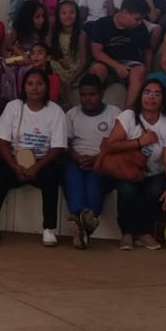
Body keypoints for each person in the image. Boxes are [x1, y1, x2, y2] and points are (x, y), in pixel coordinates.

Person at [0, 67, 67, 248]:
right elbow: (3, 142)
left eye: (39, 84)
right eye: (30, 84)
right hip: (14, 159)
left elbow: (58, 147)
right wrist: (14, 166)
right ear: (24, 87)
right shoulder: (13, 107)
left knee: (51, 178)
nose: (34, 88)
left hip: (43, 161)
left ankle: (49, 229)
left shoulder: (56, 111)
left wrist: (36, 167)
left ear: (46, 87)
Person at [101, 78, 166, 251]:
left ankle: (144, 233)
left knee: (155, 191)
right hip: (128, 171)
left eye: (157, 94)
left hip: (154, 173)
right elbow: (111, 145)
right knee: (127, 190)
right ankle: (127, 233)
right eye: (147, 92)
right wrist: (139, 142)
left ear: (163, 100)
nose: (151, 97)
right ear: (140, 96)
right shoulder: (128, 116)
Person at [63, 73, 119, 248]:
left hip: (103, 160)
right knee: (73, 176)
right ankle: (85, 220)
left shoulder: (115, 113)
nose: (87, 99)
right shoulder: (72, 114)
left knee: (94, 181)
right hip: (77, 159)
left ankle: (80, 221)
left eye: (92, 94)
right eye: (83, 95)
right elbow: (65, 144)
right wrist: (76, 157)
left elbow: (118, 144)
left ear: (102, 94)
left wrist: (97, 159)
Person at [86, 0, 152, 108]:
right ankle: (93, 107)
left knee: (140, 71)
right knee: (97, 69)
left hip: (131, 64)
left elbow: (147, 50)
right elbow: (96, 51)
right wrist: (117, 66)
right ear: (125, 13)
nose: (139, 22)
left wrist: (148, 69)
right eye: (137, 19)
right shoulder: (102, 24)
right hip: (106, 62)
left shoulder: (140, 28)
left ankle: (128, 112)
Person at [51, 0, 88, 93]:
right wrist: (60, 60)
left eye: (72, 12)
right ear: (58, 15)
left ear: (77, 14)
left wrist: (71, 80)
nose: (68, 16)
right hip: (59, 67)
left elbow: (83, 62)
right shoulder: (55, 33)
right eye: (63, 13)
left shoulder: (81, 35)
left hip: (75, 70)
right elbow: (52, 53)